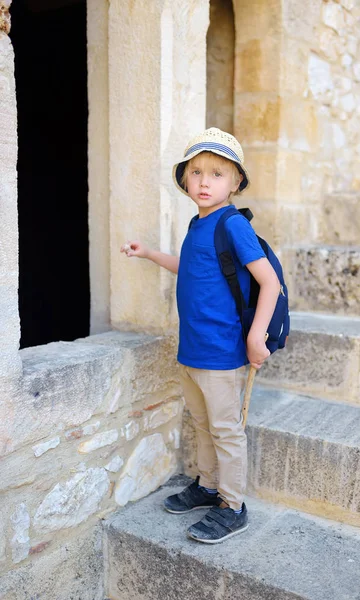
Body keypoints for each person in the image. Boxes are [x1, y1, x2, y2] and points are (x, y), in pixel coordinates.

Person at [121, 128, 280, 544]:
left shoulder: (232, 225)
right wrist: (151, 254)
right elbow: (191, 269)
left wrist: (256, 336)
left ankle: (233, 506)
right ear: (185, 180)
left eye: (217, 174)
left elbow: (269, 283)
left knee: (226, 430)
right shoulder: (198, 223)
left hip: (222, 353)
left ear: (236, 183)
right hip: (192, 350)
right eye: (196, 173)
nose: (205, 181)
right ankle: (208, 487)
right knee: (204, 425)